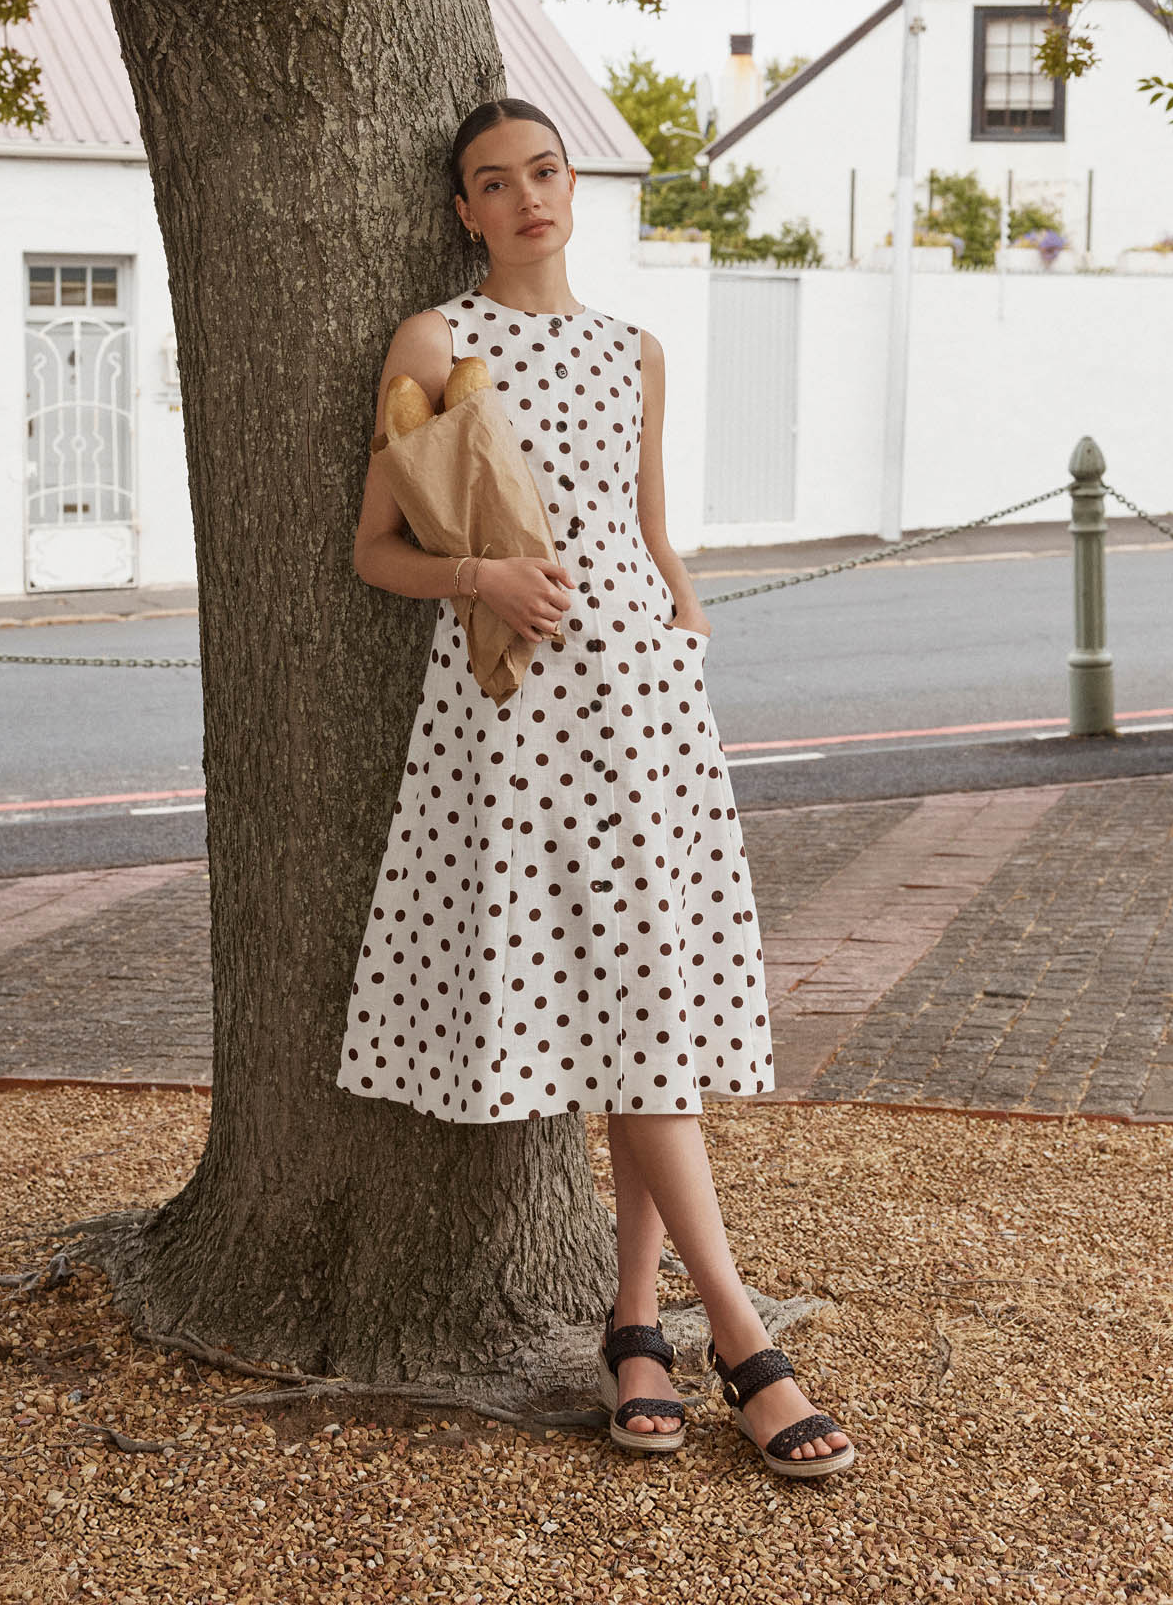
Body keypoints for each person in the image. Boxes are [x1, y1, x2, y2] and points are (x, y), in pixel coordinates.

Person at [337, 97, 853, 1480]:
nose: (525, 200)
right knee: (621, 1001)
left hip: (650, 716)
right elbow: (374, 549)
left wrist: (683, 626)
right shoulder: (438, 343)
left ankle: (638, 1327)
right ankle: (741, 1337)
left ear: (573, 184)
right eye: (493, 184)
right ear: (464, 212)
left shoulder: (637, 350)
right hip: (515, 725)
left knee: (645, 1009)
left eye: (543, 173)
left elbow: (651, 531)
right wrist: (481, 578)